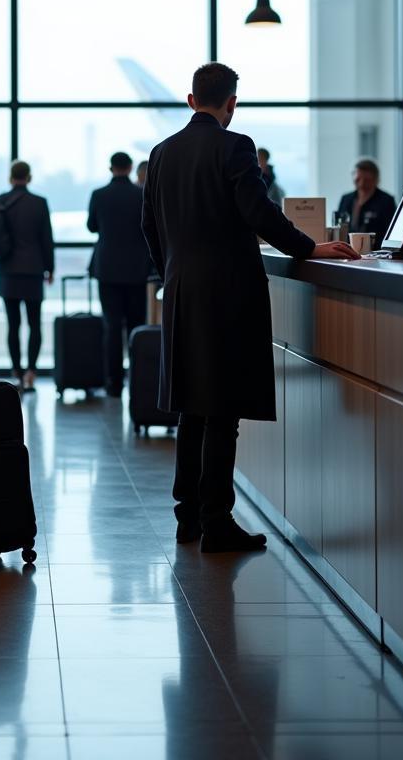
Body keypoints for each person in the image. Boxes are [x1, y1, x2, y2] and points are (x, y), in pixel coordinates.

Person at [141, 63, 358, 553]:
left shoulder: (160, 152)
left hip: (182, 291)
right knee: (222, 411)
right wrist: (309, 248)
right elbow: (259, 212)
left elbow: (149, 226)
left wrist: (174, 271)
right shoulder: (234, 145)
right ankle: (217, 521)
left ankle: (187, 517)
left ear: (191, 99)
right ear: (231, 103)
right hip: (226, 294)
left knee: (191, 408)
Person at [87, 151, 153, 397]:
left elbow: (92, 226)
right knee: (136, 326)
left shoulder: (99, 195)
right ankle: (138, 379)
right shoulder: (141, 195)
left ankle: (113, 383)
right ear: (130, 168)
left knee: (112, 326)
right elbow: (149, 225)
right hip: (136, 268)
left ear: (110, 167)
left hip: (107, 269)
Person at [0, 160, 55, 392]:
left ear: (11, 177)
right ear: (29, 178)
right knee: (34, 323)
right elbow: (46, 239)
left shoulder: (1, 201)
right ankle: (32, 371)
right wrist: (50, 268)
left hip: (8, 270)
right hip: (33, 270)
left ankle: (17, 373)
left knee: (13, 325)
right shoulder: (40, 203)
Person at [337, 159, 396, 248]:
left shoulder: (386, 201)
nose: (361, 184)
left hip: (376, 251)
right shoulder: (346, 199)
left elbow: (391, 232)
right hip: (348, 250)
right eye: (358, 179)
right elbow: (339, 227)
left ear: (376, 180)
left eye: (367, 180)